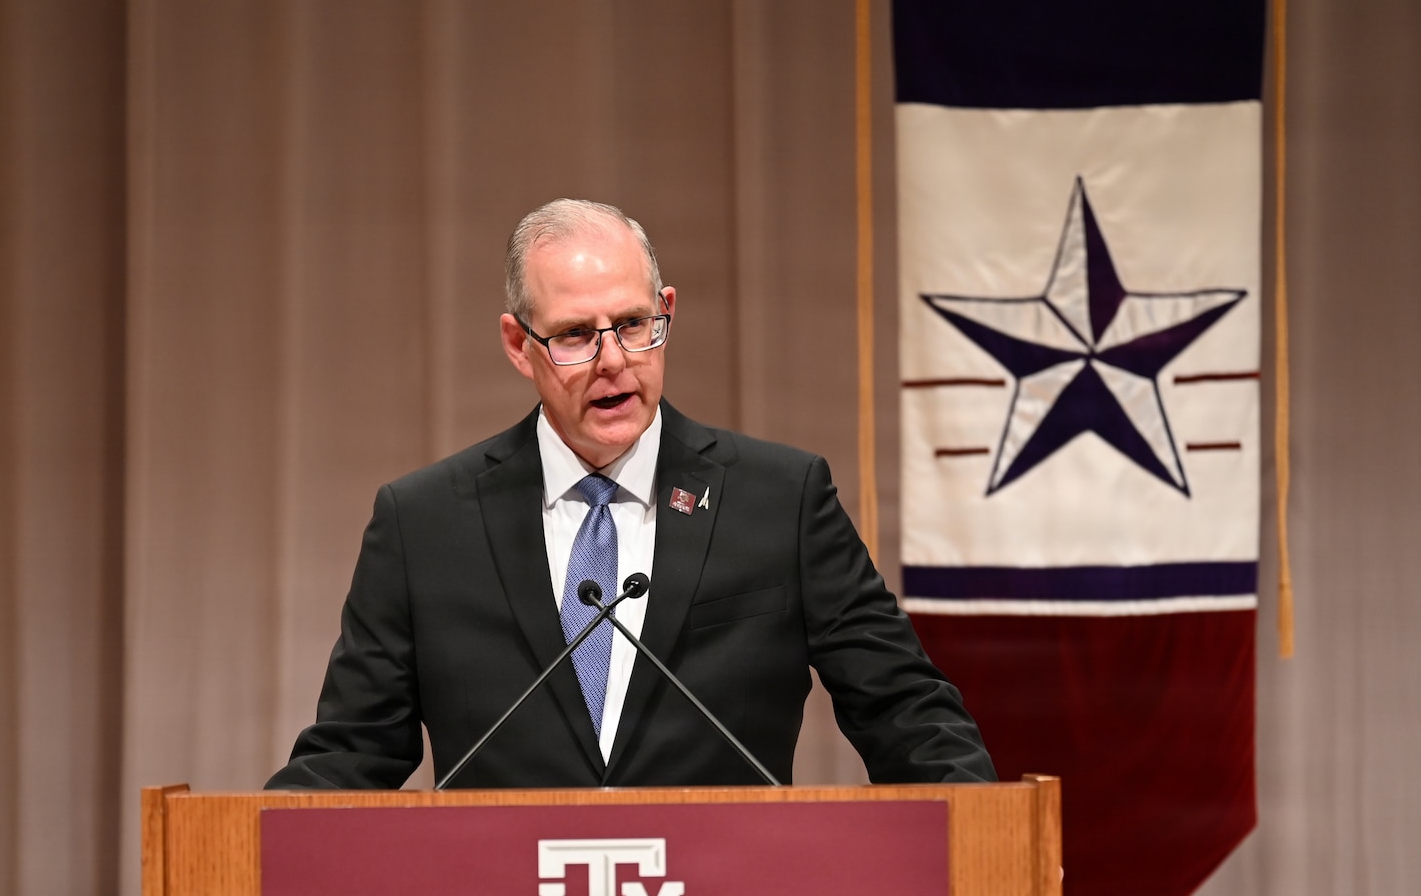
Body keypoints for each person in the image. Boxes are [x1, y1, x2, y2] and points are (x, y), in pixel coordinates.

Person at [266, 198, 992, 789]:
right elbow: (351, 753)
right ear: (519, 345)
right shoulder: (424, 524)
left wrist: (984, 835)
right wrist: (249, 855)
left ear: (665, 310)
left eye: (634, 325)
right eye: (575, 335)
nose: (613, 360)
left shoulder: (780, 500)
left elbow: (906, 712)